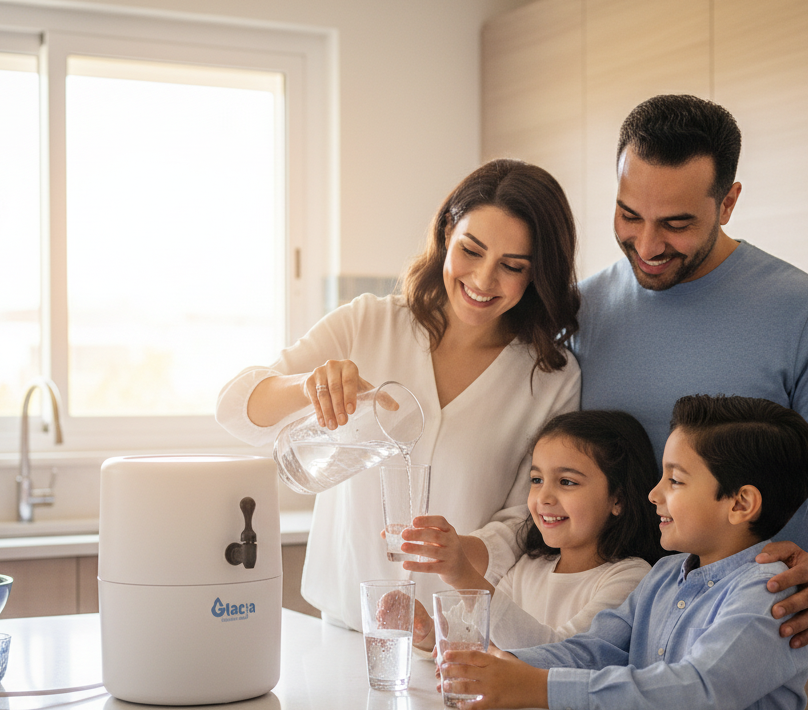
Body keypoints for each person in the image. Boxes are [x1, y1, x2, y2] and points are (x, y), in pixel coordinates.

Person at [468, 94, 808, 710]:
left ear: (727, 203)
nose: (647, 245)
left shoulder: (805, 313)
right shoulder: (583, 311)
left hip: (740, 675)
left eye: (675, 223)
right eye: (628, 215)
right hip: (612, 655)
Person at [216, 159, 582, 631]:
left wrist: (463, 551)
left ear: (537, 275)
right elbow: (233, 409)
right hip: (344, 628)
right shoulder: (368, 323)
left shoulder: (550, 376)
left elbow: (527, 518)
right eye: (471, 250)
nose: (484, 280)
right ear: (448, 230)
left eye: (512, 266)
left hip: (454, 639)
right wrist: (305, 386)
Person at [440, 395, 808, 710]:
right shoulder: (666, 575)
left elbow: (697, 688)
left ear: (740, 504)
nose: (654, 494)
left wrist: (540, 687)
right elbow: (595, 649)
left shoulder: (770, 593)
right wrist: (509, 665)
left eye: (675, 480)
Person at [405, 410, 663, 650]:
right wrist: (426, 629)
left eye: (567, 482)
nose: (544, 497)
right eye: (537, 480)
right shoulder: (529, 566)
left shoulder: (631, 577)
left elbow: (559, 653)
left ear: (618, 499)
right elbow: (470, 632)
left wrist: (462, 575)